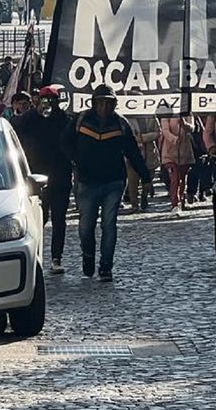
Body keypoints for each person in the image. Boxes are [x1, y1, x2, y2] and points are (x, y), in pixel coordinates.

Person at [60, 84, 151, 281]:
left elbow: (133, 153)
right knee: (86, 226)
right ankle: (88, 257)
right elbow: (65, 143)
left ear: (114, 104)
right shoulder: (80, 120)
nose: (104, 107)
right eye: (101, 102)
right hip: (87, 182)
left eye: (108, 103)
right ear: (94, 103)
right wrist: (77, 160)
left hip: (114, 181)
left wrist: (146, 178)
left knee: (109, 224)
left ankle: (106, 266)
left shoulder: (121, 124)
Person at [15, 86, 72, 275]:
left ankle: (57, 257)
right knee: (37, 219)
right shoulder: (30, 119)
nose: (49, 104)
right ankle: (36, 255)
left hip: (60, 176)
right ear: (39, 100)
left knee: (58, 219)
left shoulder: (64, 120)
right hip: (36, 178)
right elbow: (15, 130)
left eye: (52, 100)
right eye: (45, 100)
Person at [159, 112, 196, 211]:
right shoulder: (166, 114)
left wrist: (185, 124)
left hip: (185, 153)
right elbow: (165, 131)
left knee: (182, 178)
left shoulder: (188, 113)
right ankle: (175, 203)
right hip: (169, 153)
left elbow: (192, 128)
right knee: (174, 178)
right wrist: (174, 139)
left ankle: (181, 198)